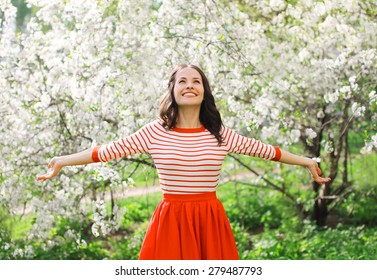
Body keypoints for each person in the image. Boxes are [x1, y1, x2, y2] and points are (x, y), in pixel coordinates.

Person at [37, 64, 331, 260]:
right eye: (183, 81)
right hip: (171, 220)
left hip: (209, 219)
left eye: (196, 81)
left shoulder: (219, 135)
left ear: (204, 92)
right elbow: (106, 151)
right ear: (173, 91)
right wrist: (62, 161)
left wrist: (306, 161)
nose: (190, 86)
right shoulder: (154, 132)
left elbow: (267, 151)